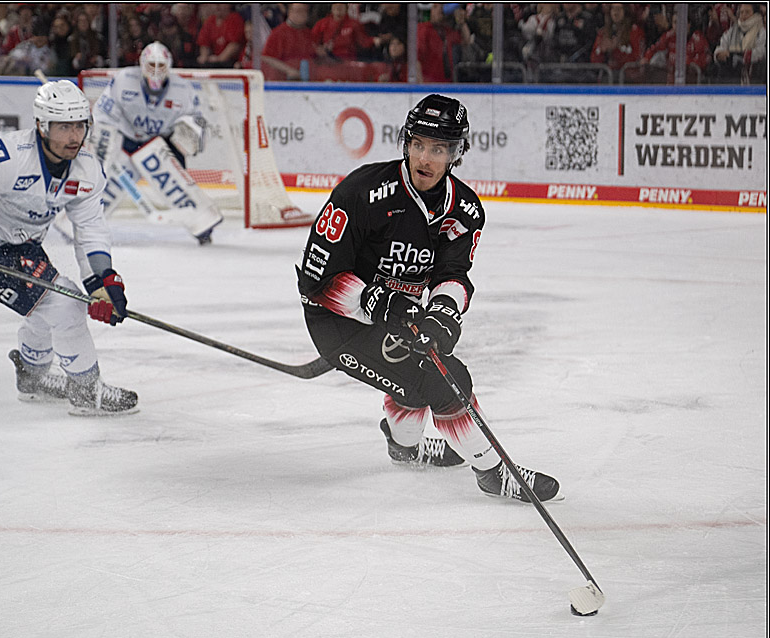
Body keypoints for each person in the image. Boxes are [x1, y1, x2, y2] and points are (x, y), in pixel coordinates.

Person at [296, 94, 561, 503]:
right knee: (444, 379)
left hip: (397, 319)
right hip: (337, 322)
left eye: (438, 149)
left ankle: (403, 445)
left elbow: (452, 276)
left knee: (417, 376)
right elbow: (317, 281)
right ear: (405, 142)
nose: (425, 157)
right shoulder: (362, 192)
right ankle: (493, 472)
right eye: (418, 144)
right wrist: (378, 302)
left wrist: (441, 315)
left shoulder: (464, 209)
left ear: (456, 153)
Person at [0, 80, 138, 416]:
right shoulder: (7, 157)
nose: (74, 136)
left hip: (21, 247)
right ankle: (85, 390)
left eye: (80, 125)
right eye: (64, 127)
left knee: (47, 304)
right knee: (65, 306)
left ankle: (32, 376)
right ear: (41, 126)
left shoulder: (88, 170)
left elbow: (89, 229)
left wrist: (102, 281)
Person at [89, 41, 223, 244]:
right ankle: (85, 224)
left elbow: (198, 121)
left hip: (162, 141)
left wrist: (191, 136)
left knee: (178, 185)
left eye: (161, 66)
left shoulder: (182, 88)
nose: (156, 71)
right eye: (151, 65)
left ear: (168, 67)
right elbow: (103, 115)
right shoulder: (124, 79)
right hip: (127, 139)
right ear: (142, 65)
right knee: (108, 184)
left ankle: (202, 226)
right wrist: (103, 150)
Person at [260, 2, 318, 81]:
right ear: (290, 12)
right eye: (298, 11)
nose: (302, 14)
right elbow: (267, 58)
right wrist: (288, 70)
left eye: (305, 11)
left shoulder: (309, 33)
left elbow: (314, 57)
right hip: (284, 82)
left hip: (308, 80)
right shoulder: (279, 33)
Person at [712, 3, 766, 84]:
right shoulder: (733, 30)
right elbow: (721, 45)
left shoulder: (762, 32)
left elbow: (760, 53)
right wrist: (719, 54)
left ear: (755, 14)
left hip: (755, 76)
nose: (743, 15)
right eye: (741, 12)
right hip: (732, 73)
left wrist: (736, 55)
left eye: (747, 12)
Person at [196, 3, 245, 68]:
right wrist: (204, 57)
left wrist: (219, 58)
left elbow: (234, 45)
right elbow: (204, 43)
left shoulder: (235, 19)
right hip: (213, 61)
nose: (217, 6)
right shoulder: (210, 20)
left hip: (231, 62)